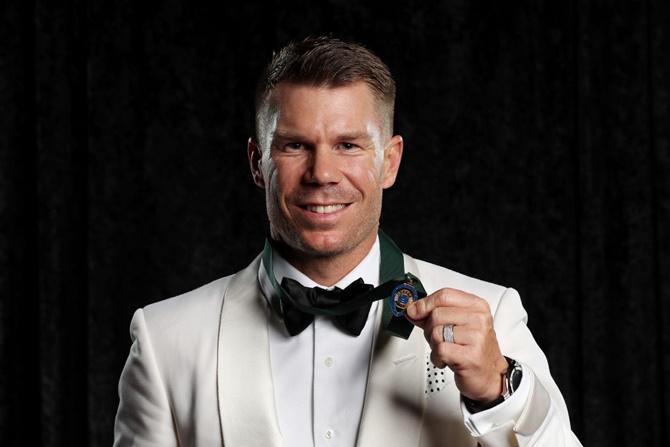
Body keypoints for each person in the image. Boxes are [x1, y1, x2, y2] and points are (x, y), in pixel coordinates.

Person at [113, 36, 582, 447]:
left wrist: (498, 391)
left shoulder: (491, 314)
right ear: (257, 163)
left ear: (390, 162)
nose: (322, 175)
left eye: (348, 145)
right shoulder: (164, 339)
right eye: (295, 145)